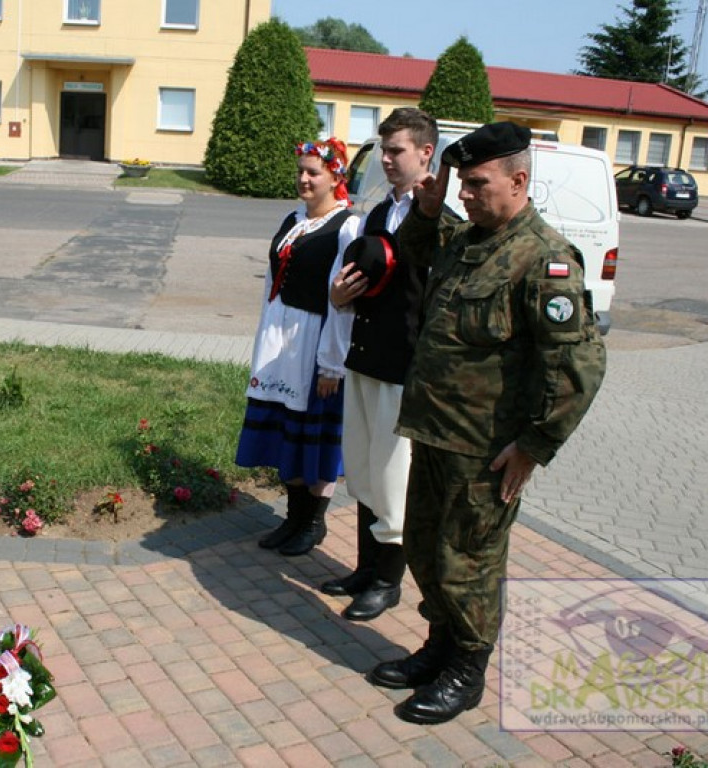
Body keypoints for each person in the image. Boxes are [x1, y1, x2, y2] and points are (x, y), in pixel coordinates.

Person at [368, 122, 606, 724]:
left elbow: (577, 364)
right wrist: (427, 209)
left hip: (487, 451)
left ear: (518, 181)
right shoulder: (468, 241)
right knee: (425, 546)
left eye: (477, 184)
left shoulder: (544, 258)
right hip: (435, 432)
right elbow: (424, 249)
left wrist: (534, 444)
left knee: (468, 559)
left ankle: (467, 671)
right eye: (462, 185)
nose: (465, 195)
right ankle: (440, 648)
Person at [323, 108, 437, 623]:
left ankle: (389, 582)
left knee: (394, 479)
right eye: (384, 150)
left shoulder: (437, 221)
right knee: (365, 470)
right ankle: (366, 568)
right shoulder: (374, 216)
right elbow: (358, 285)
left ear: (425, 154)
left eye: (397, 151)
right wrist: (341, 298)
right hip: (365, 358)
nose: (386, 160)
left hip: (404, 369)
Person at [236, 138, 361, 557]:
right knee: (285, 434)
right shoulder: (292, 219)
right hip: (282, 343)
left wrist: (332, 363)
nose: (304, 179)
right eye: (301, 172)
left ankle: (313, 522)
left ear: (335, 177)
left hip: (317, 344)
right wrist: (264, 338)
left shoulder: (347, 228)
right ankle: (292, 518)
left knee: (316, 439)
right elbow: (272, 288)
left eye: (314, 173)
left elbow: (344, 301)